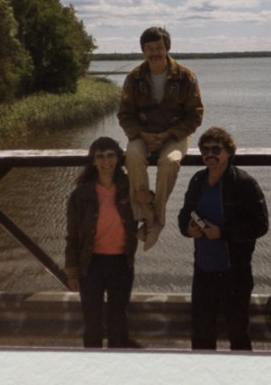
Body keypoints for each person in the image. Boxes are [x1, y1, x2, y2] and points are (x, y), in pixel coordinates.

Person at [177, 126, 268, 351]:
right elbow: (183, 217)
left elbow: (260, 225)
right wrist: (189, 229)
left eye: (216, 149)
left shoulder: (244, 183)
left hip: (235, 274)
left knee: (238, 335)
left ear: (228, 152)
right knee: (201, 337)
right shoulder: (198, 180)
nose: (210, 155)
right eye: (205, 150)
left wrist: (222, 233)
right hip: (203, 272)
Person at [118, 26, 204, 251]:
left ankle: (156, 220)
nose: (154, 52)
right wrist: (141, 134)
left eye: (159, 47)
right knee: (133, 157)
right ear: (143, 51)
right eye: (149, 48)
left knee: (169, 162)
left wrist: (168, 135)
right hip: (142, 134)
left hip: (175, 135)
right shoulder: (134, 78)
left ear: (167, 48)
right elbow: (125, 114)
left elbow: (195, 115)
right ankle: (146, 215)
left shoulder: (186, 77)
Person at [64, 137, 138, 348]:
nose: (106, 161)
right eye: (100, 157)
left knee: (119, 322)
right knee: (92, 322)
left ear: (118, 158)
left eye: (111, 155)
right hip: (91, 265)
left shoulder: (130, 187)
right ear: (93, 161)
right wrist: (72, 272)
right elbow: (72, 236)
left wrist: (148, 199)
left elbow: (148, 218)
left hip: (121, 264)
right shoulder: (81, 195)